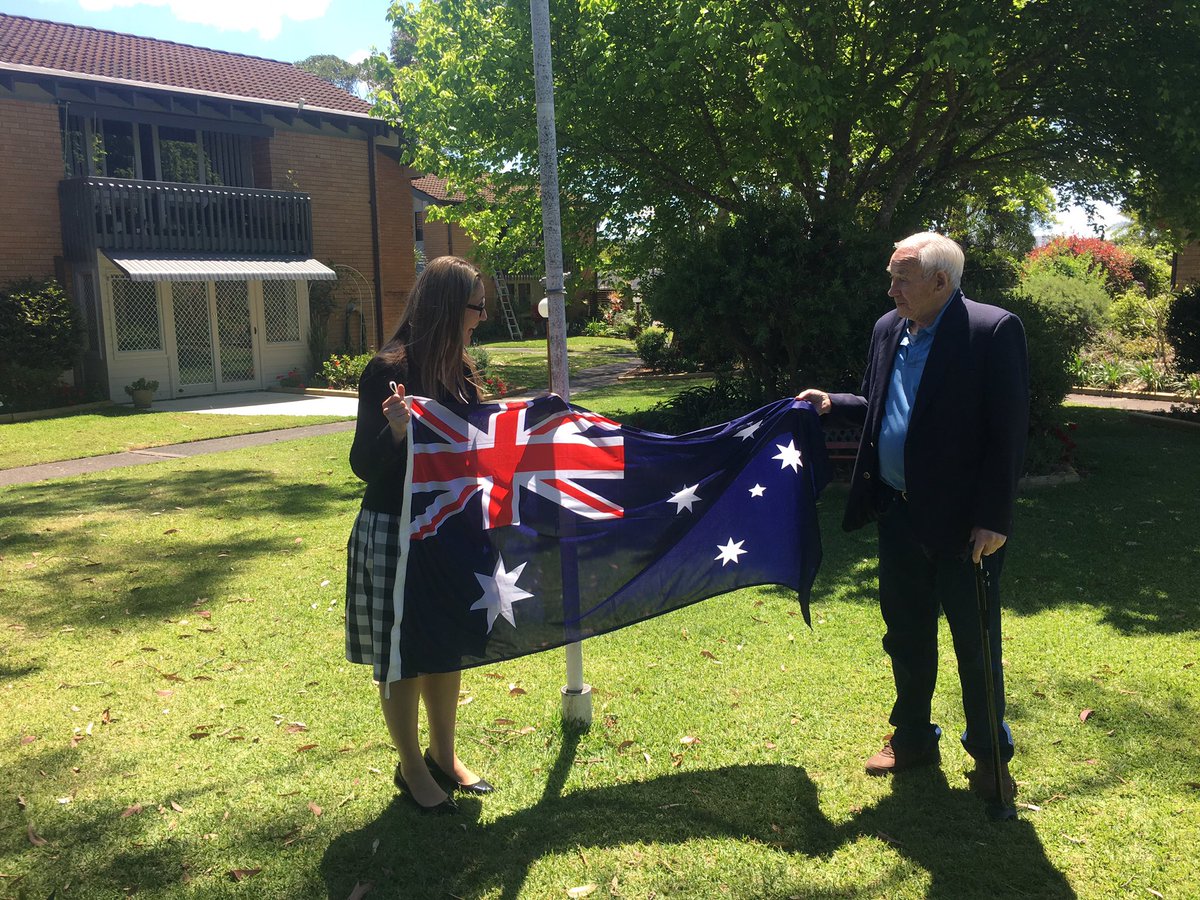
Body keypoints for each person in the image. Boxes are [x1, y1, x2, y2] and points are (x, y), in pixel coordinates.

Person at [798, 232, 1029, 803]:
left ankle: (990, 755)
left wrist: (993, 518)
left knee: (975, 643)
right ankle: (914, 737)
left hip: (963, 526)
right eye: (892, 275)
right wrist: (836, 404)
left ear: (939, 283)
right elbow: (885, 404)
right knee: (906, 634)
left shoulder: (991, 330)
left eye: (902, 277)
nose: (891, 287)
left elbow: (1007, 433)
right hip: (897, 513)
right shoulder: (888, 328)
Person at [346, 255, 495, 814]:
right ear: (451, 306)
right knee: (401, 653)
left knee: (444, 646)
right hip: (394, 528)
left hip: (448, 526)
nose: (481, 317)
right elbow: (364, 463)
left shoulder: (459, 367)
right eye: (476, 306)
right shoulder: (388, 368)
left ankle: (443, 754)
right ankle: (410, 766)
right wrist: (396, 429)